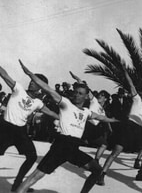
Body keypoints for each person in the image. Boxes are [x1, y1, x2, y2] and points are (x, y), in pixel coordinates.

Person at [15, 60, 119, 193]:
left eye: (80, 93)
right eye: (75, 92)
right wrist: (29, 73)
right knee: (36, 176)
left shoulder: (86, 111)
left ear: (86, 96)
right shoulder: (65, 104)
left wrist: (116, 121)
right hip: (61, 146)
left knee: (97, 170)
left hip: (73, 148)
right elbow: (47, 88)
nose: (76, 95)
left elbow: (101, 117)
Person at [0, 48, 59, 192]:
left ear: (41, 88)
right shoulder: (18, 89)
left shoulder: (38, 103)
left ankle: (17, 185)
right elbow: (3, 74)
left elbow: (51, 113)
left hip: (20, 132)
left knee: (32, 156)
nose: (31, 83)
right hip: (6, 129)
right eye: (31, 80)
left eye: (35, 82)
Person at [95, 64, 142, 186]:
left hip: (138, 132)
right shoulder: (137, 99)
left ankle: (141, 173)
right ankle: (102, 174)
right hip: (128, 128)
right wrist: (125, 71)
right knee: (116, 152)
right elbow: (131, 84)